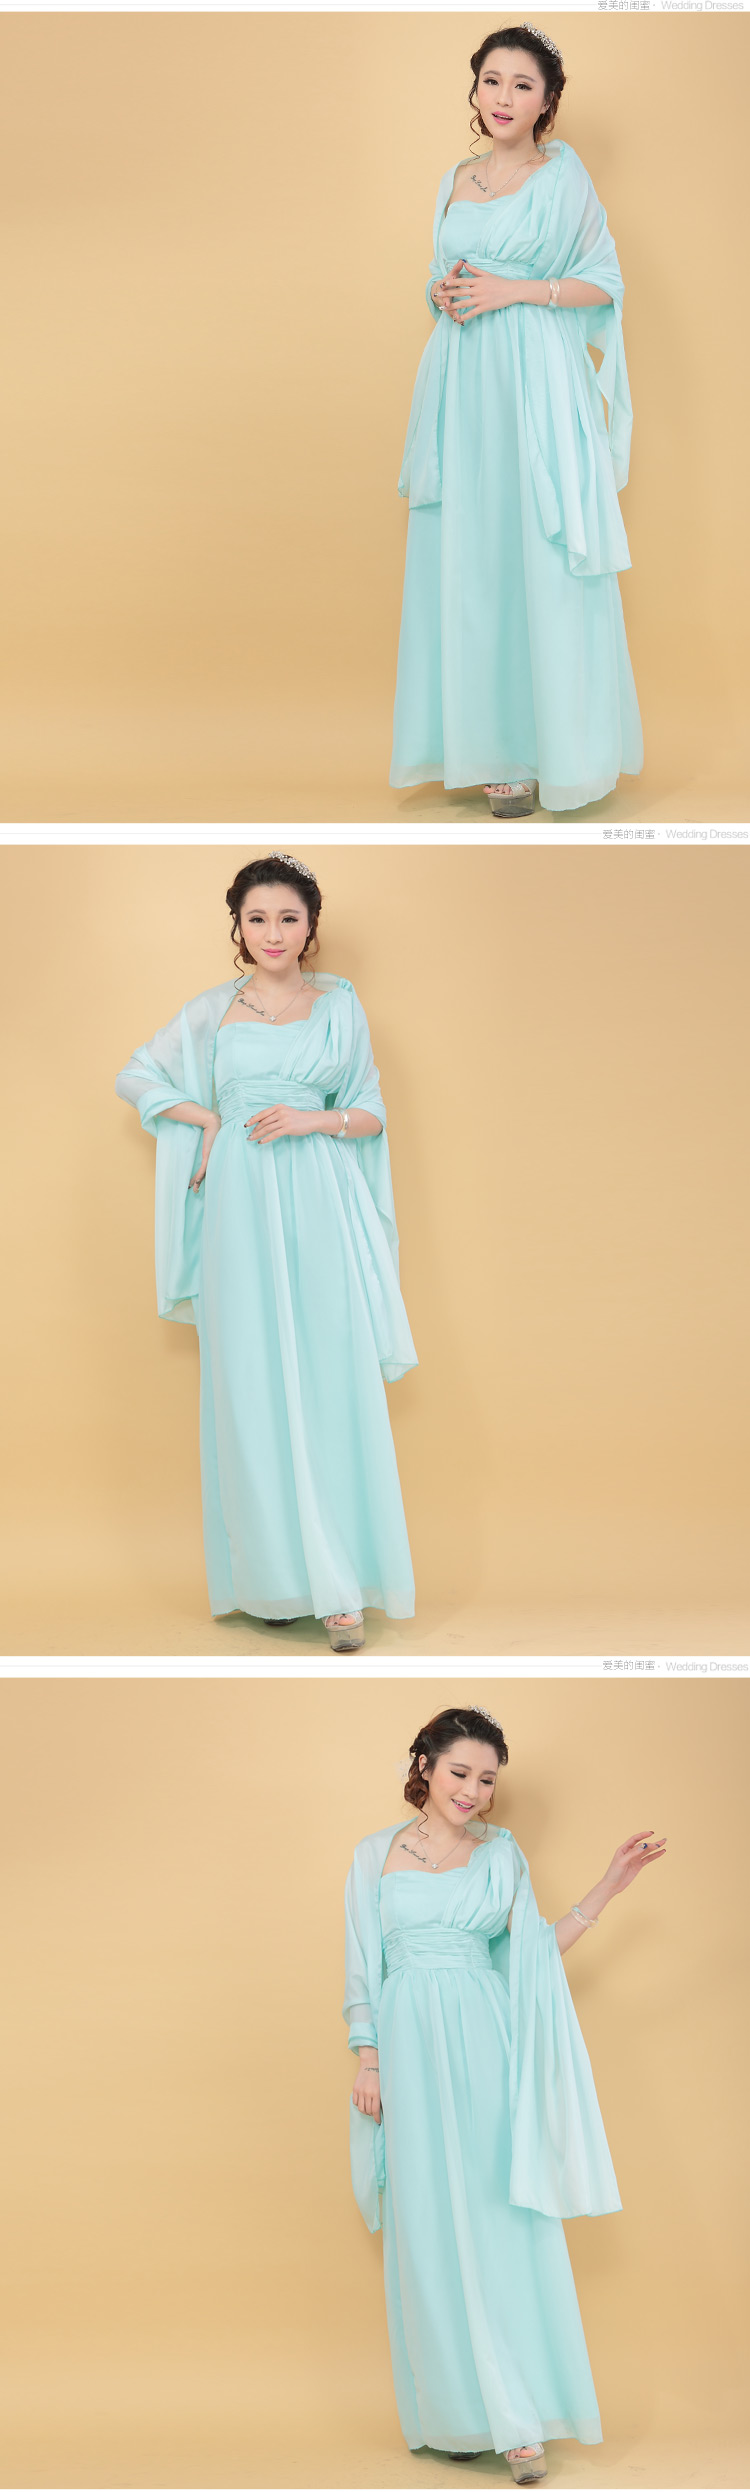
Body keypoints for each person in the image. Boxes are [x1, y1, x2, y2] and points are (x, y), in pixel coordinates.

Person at [344, 1704, 665, 2474]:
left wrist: (608, 1888)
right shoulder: (373, 1855)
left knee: (499, 2222)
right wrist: (369, 2059)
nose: (474, 1791)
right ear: (424, 1767)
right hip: (409, 2048)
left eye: (488, 1780)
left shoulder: (501, 1854)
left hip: (488, 2046)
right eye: (461, 1772)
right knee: (428, 2226)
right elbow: (361, 1962)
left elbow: (531, 1957)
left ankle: (518, 2419)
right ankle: (460, 2419)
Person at [115, 853, 416, 1649]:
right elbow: (136, 1076)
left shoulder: (340, 1007)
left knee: (328, 1376)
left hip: (318, 1196)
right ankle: (276, 1582)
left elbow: (371, 1112)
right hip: (239, 1203)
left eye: (288, 917)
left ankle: (342, 1587)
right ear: (238, 927)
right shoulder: (212, 1011)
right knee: (248, 1382)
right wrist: (207, 1120)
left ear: (311, 926)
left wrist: (314, 1118)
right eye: (257, 918)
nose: (273, 933)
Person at [390, 25, 643, 817]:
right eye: (491, 80)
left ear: (547, 101)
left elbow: (603, 283)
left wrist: (513, 290)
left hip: (535, 380)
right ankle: (485, 748)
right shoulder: (454, 179)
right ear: (475, 89)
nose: (503, 97)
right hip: (462, 382)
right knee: (473, 557)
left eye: (522, 85)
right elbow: (443, 273)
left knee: (537, 549)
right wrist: (439, 291)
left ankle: (549, 750)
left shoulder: (561, 178)